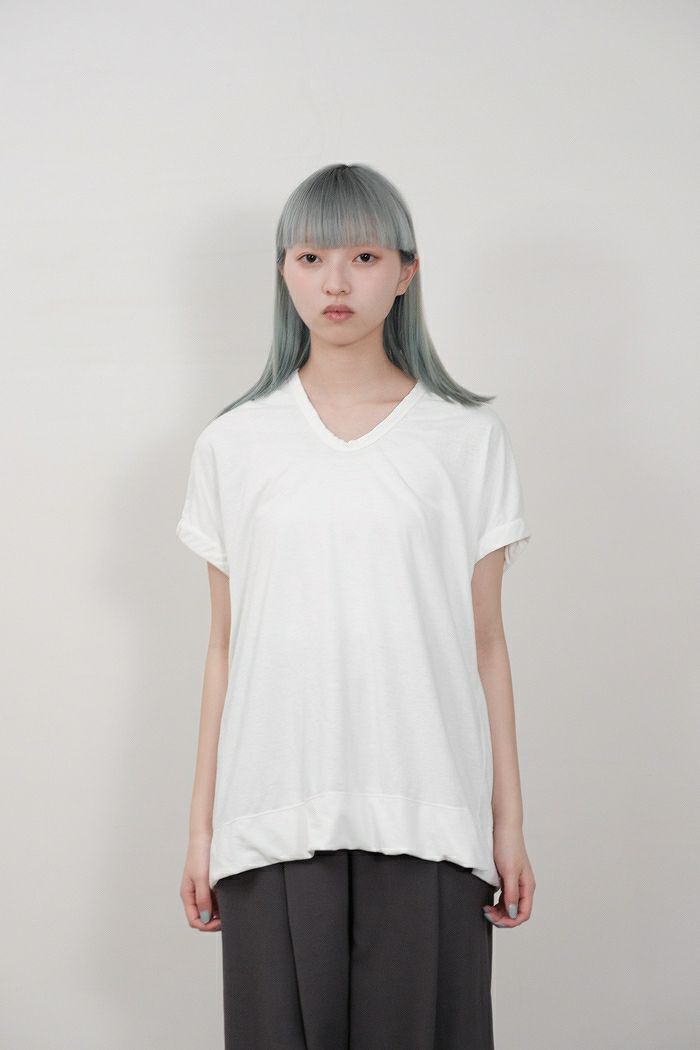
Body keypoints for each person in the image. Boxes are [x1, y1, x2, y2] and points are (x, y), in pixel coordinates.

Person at [175, 162, 536, 1049]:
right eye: (311, 257)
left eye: (364, 256)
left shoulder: (466, 439)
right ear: (284, 271)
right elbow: (225, 647)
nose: (336, 282)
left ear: (406, 271)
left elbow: (486, 643)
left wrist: (508, 825)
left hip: (428, 807)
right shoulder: (234, 443)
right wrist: (203, 829)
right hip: (273, 811)